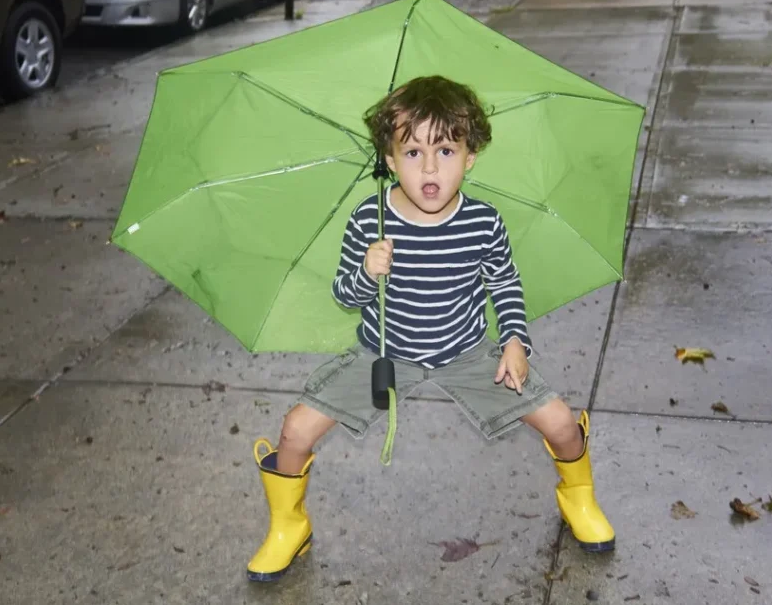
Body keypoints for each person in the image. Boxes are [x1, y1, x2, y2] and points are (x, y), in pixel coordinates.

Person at [246, 75, 615, 583]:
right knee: (294, 430)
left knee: (560, 422)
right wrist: (365, 272)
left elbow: (505, 284)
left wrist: (513, 341)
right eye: (413, 152)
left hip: (465, 352)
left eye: (445, 149)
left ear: (471, 156)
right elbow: (343, 295)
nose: (430, 168)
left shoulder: (484, 223)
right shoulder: (369, 220)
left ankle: (580, 499)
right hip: (384, 351)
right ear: (390, 160)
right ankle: (289, 525)